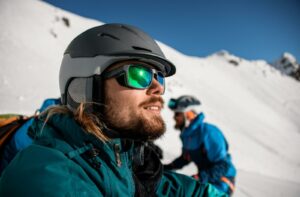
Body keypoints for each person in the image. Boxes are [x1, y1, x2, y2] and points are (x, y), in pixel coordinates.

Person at [0, 24, 226, 196]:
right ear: (85, 87)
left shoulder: (120, 159)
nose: (158, 87)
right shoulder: (49, 177)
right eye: (139, 74)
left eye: (158, 77)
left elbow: (178, 189)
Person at [164, 95, 236, 195]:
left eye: (177, 114)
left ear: (188, 115)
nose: (174, 117)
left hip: (222, 183)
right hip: (206, 181)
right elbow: (185, 158)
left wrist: (199, 177)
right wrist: (165, 167)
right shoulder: (187, 136)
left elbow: (223, 165)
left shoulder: (208, 132)